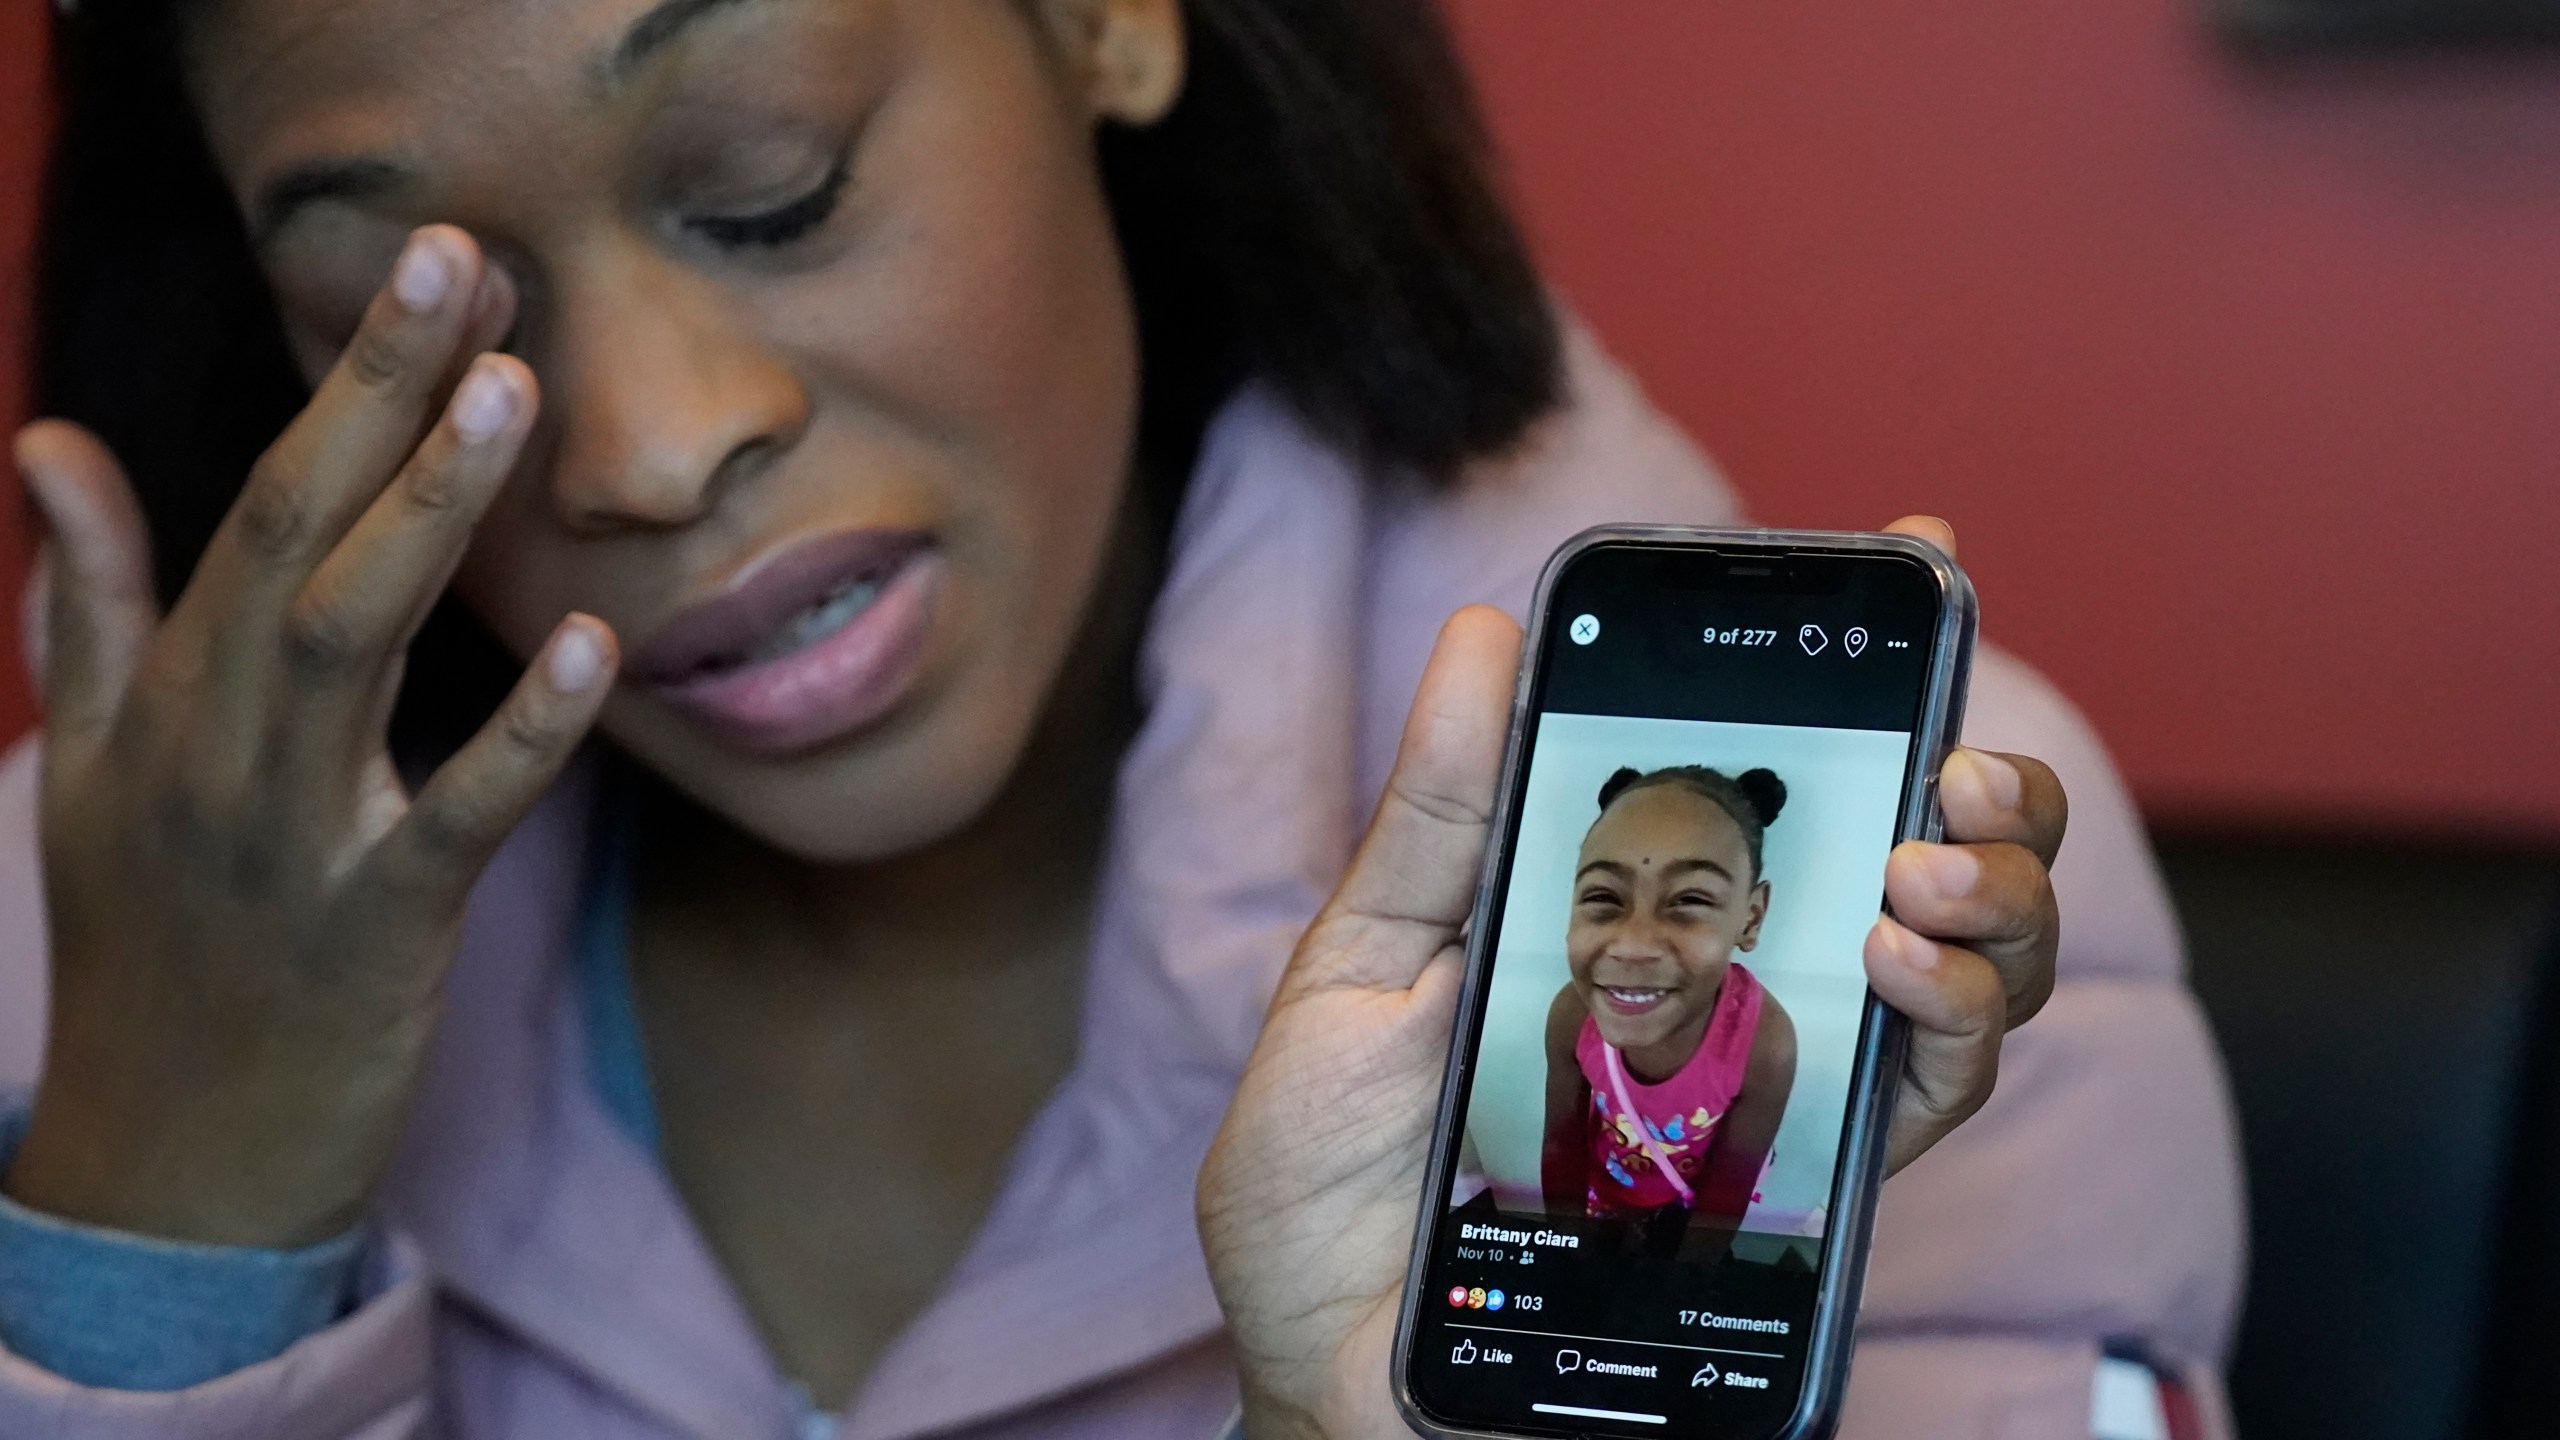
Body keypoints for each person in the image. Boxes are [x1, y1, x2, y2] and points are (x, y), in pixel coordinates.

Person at [0, 0, 2242, 1436]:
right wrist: (168, 1211)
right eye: (412, 315)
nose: (644, 448)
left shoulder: (1887, 919)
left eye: (770, 185)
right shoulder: (89, 959)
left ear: (1101, 19)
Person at [1541, 766, 1797, 1230]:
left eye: (1690, 901)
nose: (1634, 945)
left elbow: (1727, 1193)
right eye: (1602, 895)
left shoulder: (1766, 1045)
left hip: (1690, 1208)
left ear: (1751, 917)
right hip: (1607, 1194)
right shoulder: (1570, 1016)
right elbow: (1561, 1148)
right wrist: (1564, 1251)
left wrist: (1687, 1282)